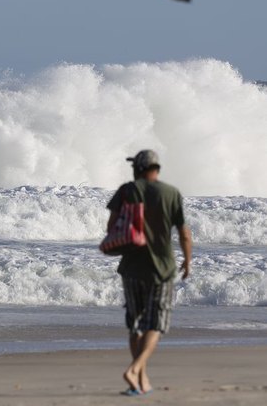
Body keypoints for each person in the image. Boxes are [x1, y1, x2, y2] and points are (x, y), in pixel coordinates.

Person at [106, 149, 193, 396]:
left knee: (135, 324)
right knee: (156, 323)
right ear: (156, 168)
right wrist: (187, 262)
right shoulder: (171, 193)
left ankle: (141, 380)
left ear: (138, 168)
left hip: (131, 267)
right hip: (161, 268)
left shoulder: (126, 191)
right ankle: (136, 370)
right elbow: (184, 233)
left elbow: (111, 227)